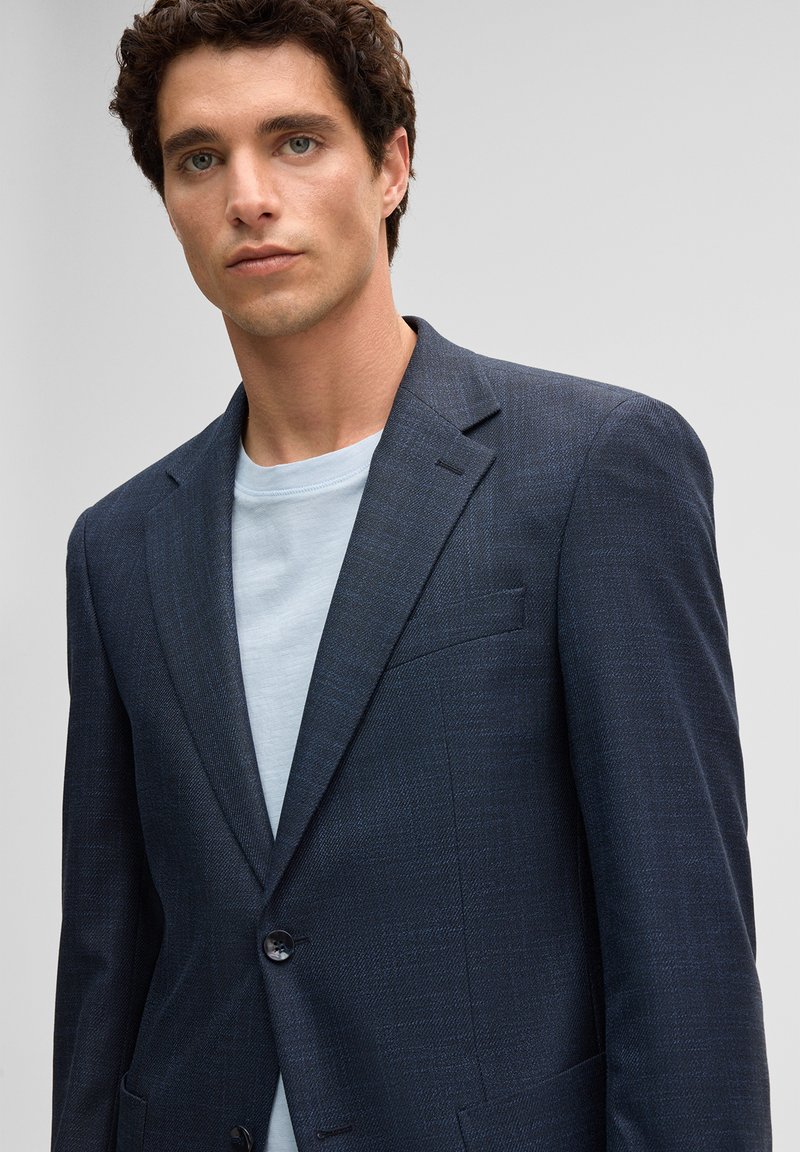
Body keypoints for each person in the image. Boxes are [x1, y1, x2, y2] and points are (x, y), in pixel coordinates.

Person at [51, 1, 771, 1149]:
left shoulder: (592, 471)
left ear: (390, 166)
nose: (248, 195)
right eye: (199, 159)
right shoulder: (119, 546)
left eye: (295, 141)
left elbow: (682, 955)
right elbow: (107, 964)